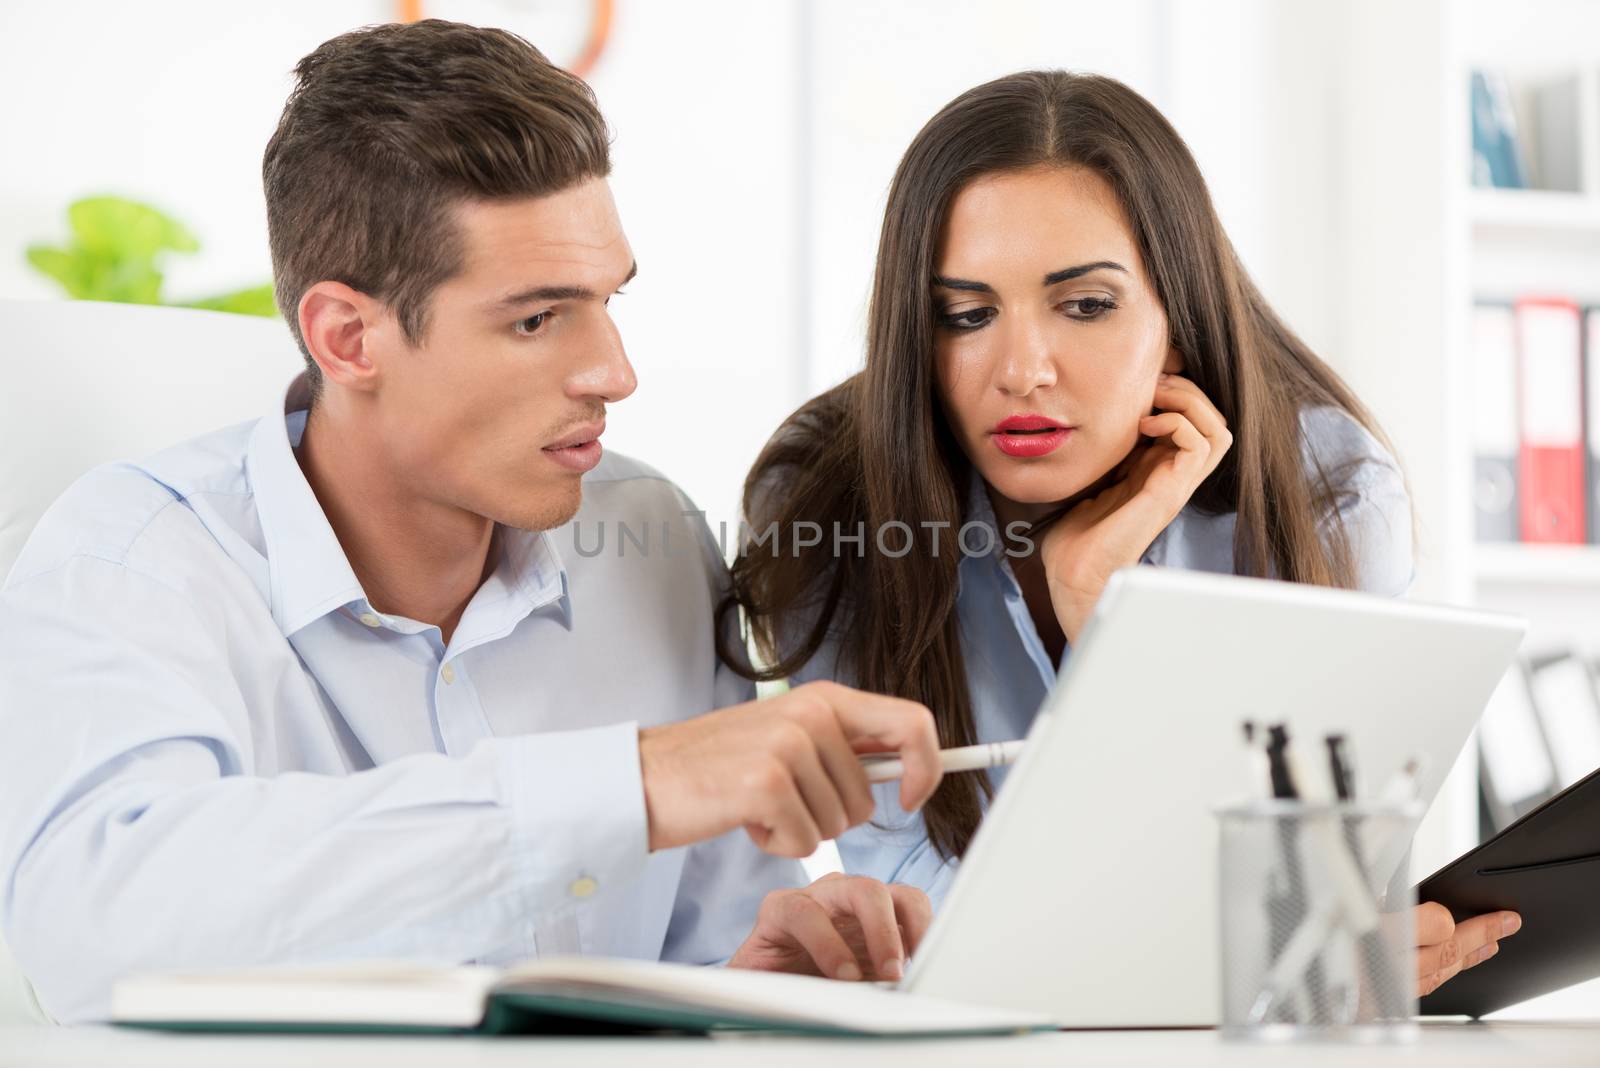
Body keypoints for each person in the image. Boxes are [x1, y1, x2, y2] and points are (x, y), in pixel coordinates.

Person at [0, 21, 942, 1024]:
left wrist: (744, 993)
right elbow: (97, 938)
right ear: (348, 336)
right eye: (536, 319)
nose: (612, 372)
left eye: (606, 300)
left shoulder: (649, 536)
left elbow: (699, 959)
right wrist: (625, 784)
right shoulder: (132, 562)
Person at [721, 70, 1518, 1000]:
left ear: (1178, 325)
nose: (1021, 371)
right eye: (965, 316)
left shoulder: (1325, 492)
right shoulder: (828, 499)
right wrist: (1263, 946)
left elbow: (1313, 883)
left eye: (1086, 305)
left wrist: (1110, 606)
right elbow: (915, 916)